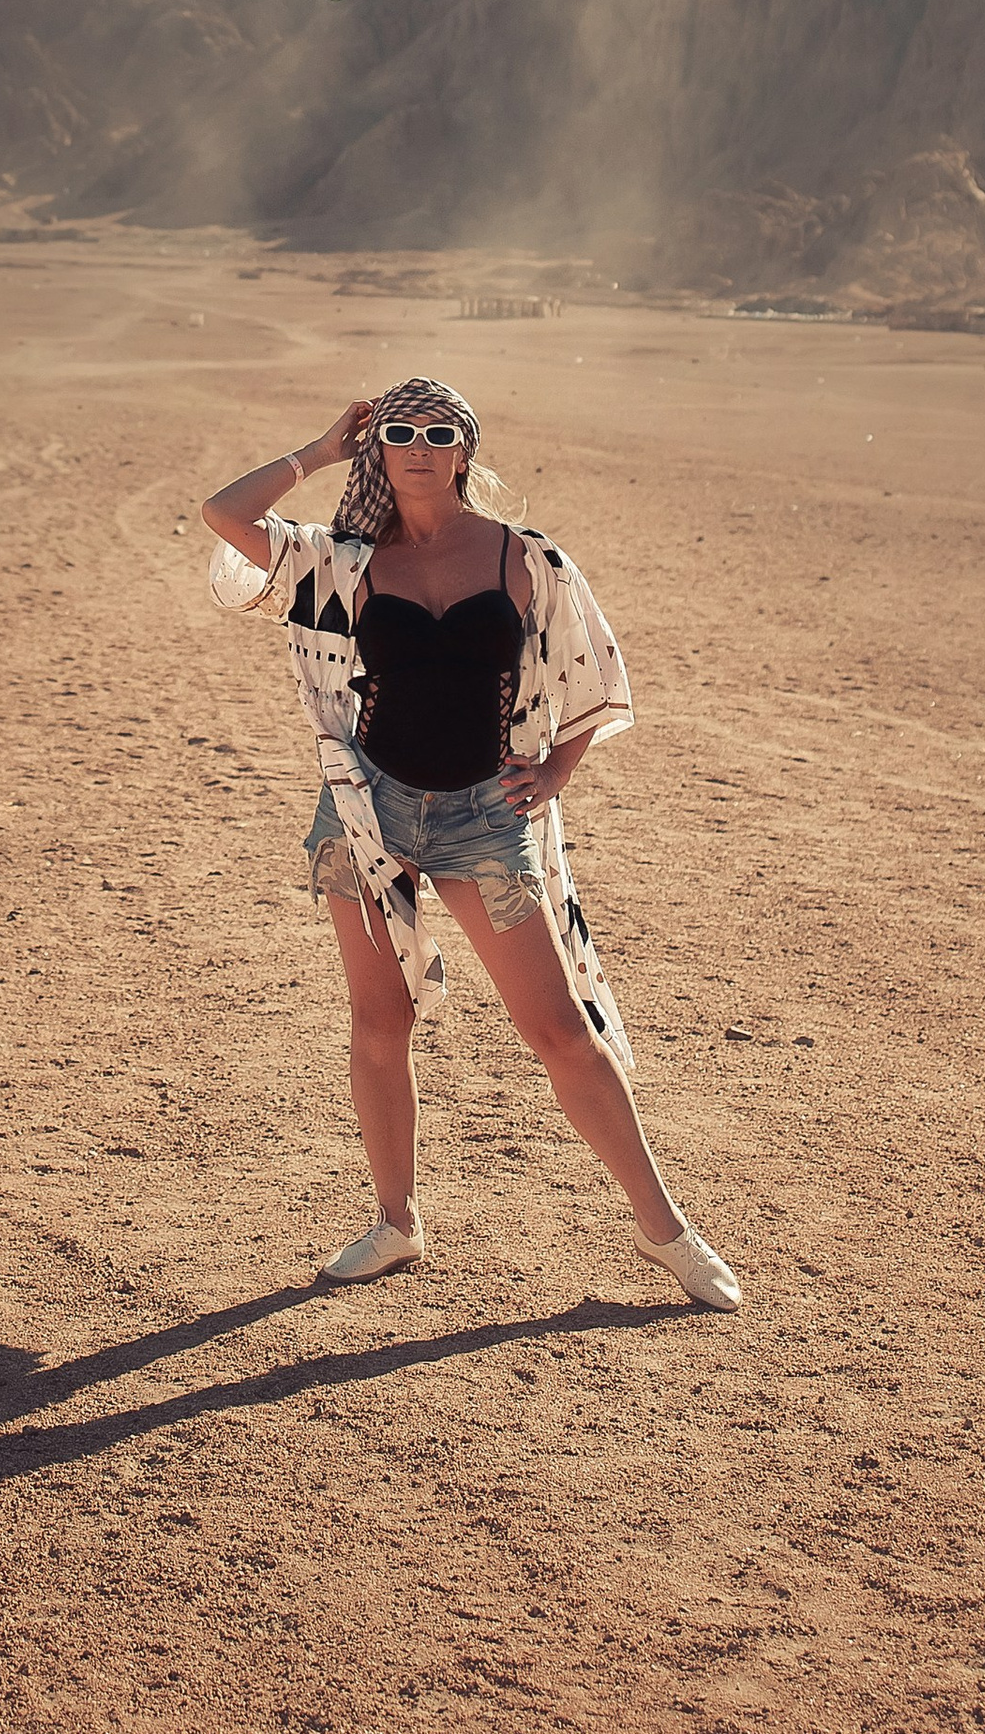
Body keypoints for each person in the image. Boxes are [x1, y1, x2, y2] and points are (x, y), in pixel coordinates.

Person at [202, 375, 741, 1309]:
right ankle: (397, 1221)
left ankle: (668, 1234)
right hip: (367, 810)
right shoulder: (341, 561)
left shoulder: (526, 559)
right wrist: (323, 451)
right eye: (399, 431)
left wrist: (560, 770)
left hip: (485, 819)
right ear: (379, 448)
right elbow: (223, 513)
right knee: (381, 1021)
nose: (417, 445)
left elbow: (594, 670)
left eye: (439, 430)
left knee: (560, 1030)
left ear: (465, 448)